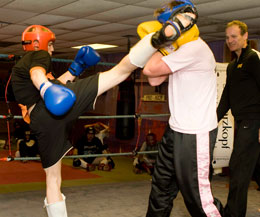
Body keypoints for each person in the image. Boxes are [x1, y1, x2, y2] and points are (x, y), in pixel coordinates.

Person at [10, 12, 193, 217]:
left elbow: (53, 84)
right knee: (120, 72)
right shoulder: (38, 55)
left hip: (40, 122)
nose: (52, 48)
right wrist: (45, 88)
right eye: (50, 44)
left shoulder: (19, 69)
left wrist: (75, 69)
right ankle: (159, 37)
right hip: (48, 106)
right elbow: (39, 76)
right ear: (37, 44)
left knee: (53, 180)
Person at [141, 1, 224, 216]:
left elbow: (150, 69)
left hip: (195, 133)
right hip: (175, 130)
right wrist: (167, 44)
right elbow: (153, 80)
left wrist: (162, 42)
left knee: (198, 199)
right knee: (161, 189)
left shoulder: (196, 48)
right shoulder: (180, 49)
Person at [217, 20, 260, 217]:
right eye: (227, 37)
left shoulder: (252, 59)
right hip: (242, 121)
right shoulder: (233, 66)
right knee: (252, 167)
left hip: (253, 120)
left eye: (234, 36)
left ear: (245, 37)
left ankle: (233, 213)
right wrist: (212, 121)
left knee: (238, 167)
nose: (230, 40)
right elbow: (227, 96)